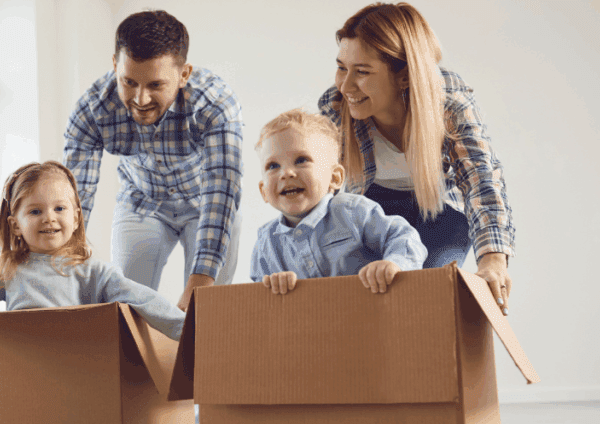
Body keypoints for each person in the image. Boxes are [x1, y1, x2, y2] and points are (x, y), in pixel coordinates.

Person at [318, 2, 515, 313]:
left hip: (437, 212)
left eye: (362, 71)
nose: (345, 86)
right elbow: (322, 194)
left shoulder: (448, 101)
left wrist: (492, 261)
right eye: (342, 67)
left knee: (423, 298)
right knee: (365, 297)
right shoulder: (336, 106)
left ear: (404, 76)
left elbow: (481, 180)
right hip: (373, 210)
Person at [0, 161, 187, 370]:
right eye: (35, 211)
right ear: (16, 225)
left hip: (77, 370)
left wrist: (188, 332)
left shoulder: (95, 273)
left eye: (59, 208)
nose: (49, 217)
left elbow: (143, 299)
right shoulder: (7, 270)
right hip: (22, 370)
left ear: (75, 218)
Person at [63, 10, 243, 312]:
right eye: (129, 82)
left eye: (155, 86)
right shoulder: (92, 109)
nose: (140, 99)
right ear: (114, 65)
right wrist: (60, 266)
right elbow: (74, 198)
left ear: (184, 74)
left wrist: (200, 280)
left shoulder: (215, 104)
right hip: (141, 200)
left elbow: (221, 188)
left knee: (209, 310)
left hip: (206, 202)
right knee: (126, 305)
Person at [251, 109, 427, 295]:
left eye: (301, 160)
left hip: (370, 313)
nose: (286, 173)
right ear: (263, 191)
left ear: (334, 178)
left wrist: (394, 263)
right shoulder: (266, 243)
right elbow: (257, 297)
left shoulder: (352, 212)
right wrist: (272, 287)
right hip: (310, 322)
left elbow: (403, 236)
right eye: (273, 166)